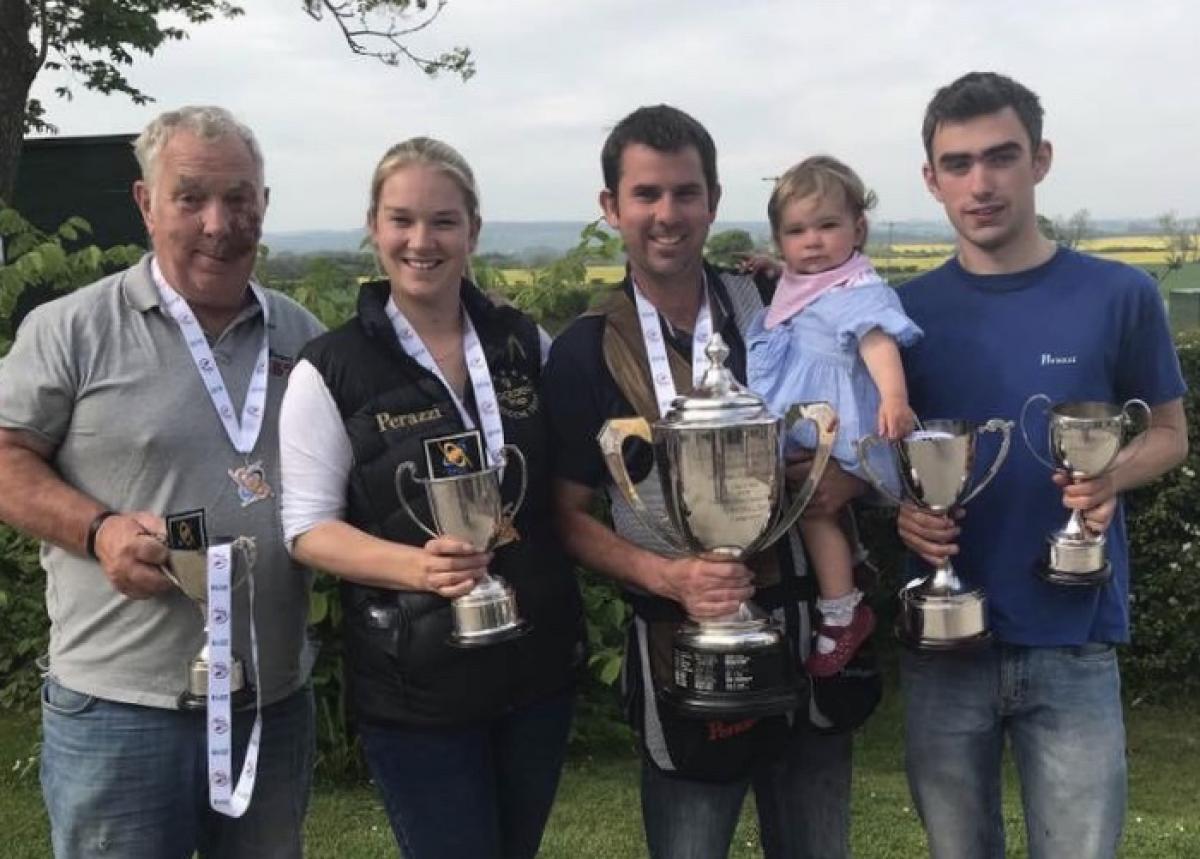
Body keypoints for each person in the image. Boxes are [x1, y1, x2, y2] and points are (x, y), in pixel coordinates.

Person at [0, 106, 324, 858]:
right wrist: (98, 529)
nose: (219, 222)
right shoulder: (70, 327)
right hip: (120, 709)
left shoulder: (301, 335)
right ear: (146, 203)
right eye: (190, 198)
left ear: (264, 203)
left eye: (239, 197)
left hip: (270, 703)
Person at [542, 104, 859, 859]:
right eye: (646, 194)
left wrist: (849, 482)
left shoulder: (783, 308)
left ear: (713, 202)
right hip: (680, 644)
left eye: (686, 193)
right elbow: (566, 514)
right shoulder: (587, 348)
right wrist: (669, 574)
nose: (667, 214)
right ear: (610, 206)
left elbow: (866, 415)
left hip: (808, 633)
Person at [896, 71, 1189, 859]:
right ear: (931, 179)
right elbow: (884, 453)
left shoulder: (1119, 294)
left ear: (1041, 159)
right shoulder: (899, 315)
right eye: (957, 164)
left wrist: (1108, 477)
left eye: (1002, 156)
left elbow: (1168, 432)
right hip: (945, 645)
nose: (981, 183)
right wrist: (901, 507)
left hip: (1074, 637)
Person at [279, 136, 584, 859]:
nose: (423, 240)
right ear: (374, 228)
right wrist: (417, 568)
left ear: (473, 231)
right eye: (402, 219)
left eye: (444, 221)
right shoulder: (331, 368)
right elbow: (306, 527)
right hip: (416, 688)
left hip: (535, 669)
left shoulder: (522, 342)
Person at [746, 155, 922, 677]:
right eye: (797, 232)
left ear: (858, 229)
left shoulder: (859, 290)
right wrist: (774, 270)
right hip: (813, 422)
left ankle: (842, 611)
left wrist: (894, 398)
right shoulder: (813, 279)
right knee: (811, 506)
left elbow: (876, 342)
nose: (814, 242)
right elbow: (807, 296)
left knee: (816, 509)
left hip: (841, 425)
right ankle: (853, 570)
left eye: (828, 226)